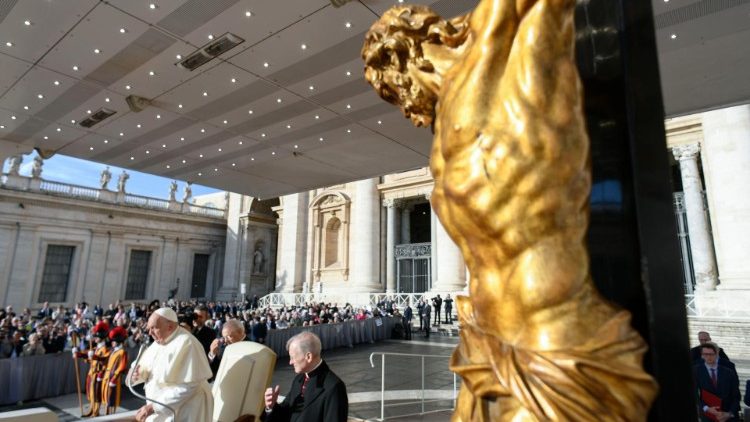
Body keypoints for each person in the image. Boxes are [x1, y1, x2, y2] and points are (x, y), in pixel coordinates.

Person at [132, 308, 213, 422]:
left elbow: (189, 385)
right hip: (162, 407)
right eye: (149, 328)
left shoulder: (187, 343)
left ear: (169, 327)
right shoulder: (158, 342)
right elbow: (146, 369)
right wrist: (138, 374)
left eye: (154, 328)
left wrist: (155, 407)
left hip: (185, 408)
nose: (150, 333)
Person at [263, 332, 347, 422]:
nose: (290, 362)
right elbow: (286, 413)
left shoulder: (334, 387)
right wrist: (271, 406)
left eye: (292, 357)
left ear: (308, 357)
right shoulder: (299, 379)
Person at [72, 321, 111, 417]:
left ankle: (96, 411)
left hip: (99, 374)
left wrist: (95, 357)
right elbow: (89, 357)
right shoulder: (96, 348)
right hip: (92, 372)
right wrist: (79, 354)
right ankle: (92, 409)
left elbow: (104, 359)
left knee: (96, 393)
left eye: (97, 337)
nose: (95, 338)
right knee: (91, 393)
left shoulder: (106, 349)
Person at [694, 342, 740, 422]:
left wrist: (729, 414)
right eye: (705, 354)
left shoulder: (729, 372)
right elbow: (693, 393)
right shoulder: (695, 370)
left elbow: (736, 396)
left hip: (727, 415)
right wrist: (706, 408)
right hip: (708, 415)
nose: (708, 357)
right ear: (702, 354)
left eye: (711, 354)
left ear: (717, 353)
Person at [102, 326, 128, 415]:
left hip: (113, 377)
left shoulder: (122, 352)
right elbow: (104, 360)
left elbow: (122, 366)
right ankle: (107, 415)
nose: (112, 343)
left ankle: (112, 416)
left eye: (113, 341)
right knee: (106, 397)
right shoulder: (112, 351)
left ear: (118, 341)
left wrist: (114, 378)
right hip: (107, 376)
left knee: (112, 398)